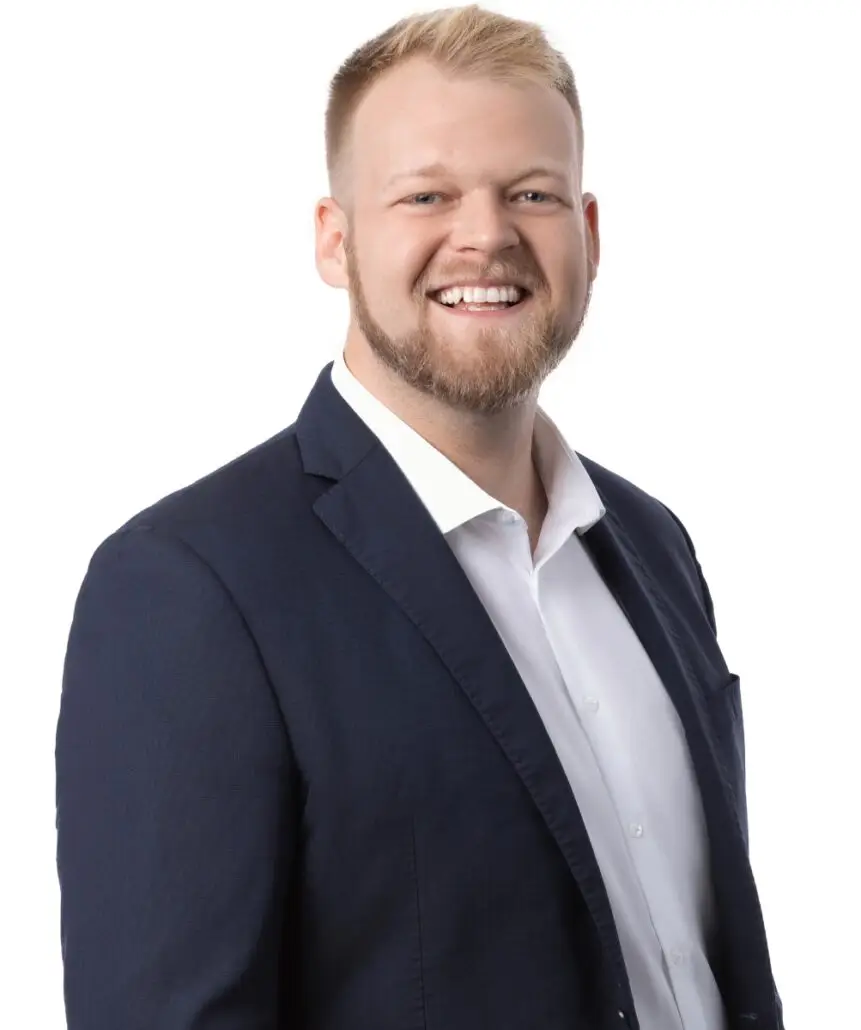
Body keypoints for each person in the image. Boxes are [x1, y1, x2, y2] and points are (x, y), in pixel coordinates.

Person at [55, 6, 786, 1028]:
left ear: (588, 234)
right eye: (427, 194)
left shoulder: (654, 545)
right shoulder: (189, 587)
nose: (484, 234)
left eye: (531, 192)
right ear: (334, 240)